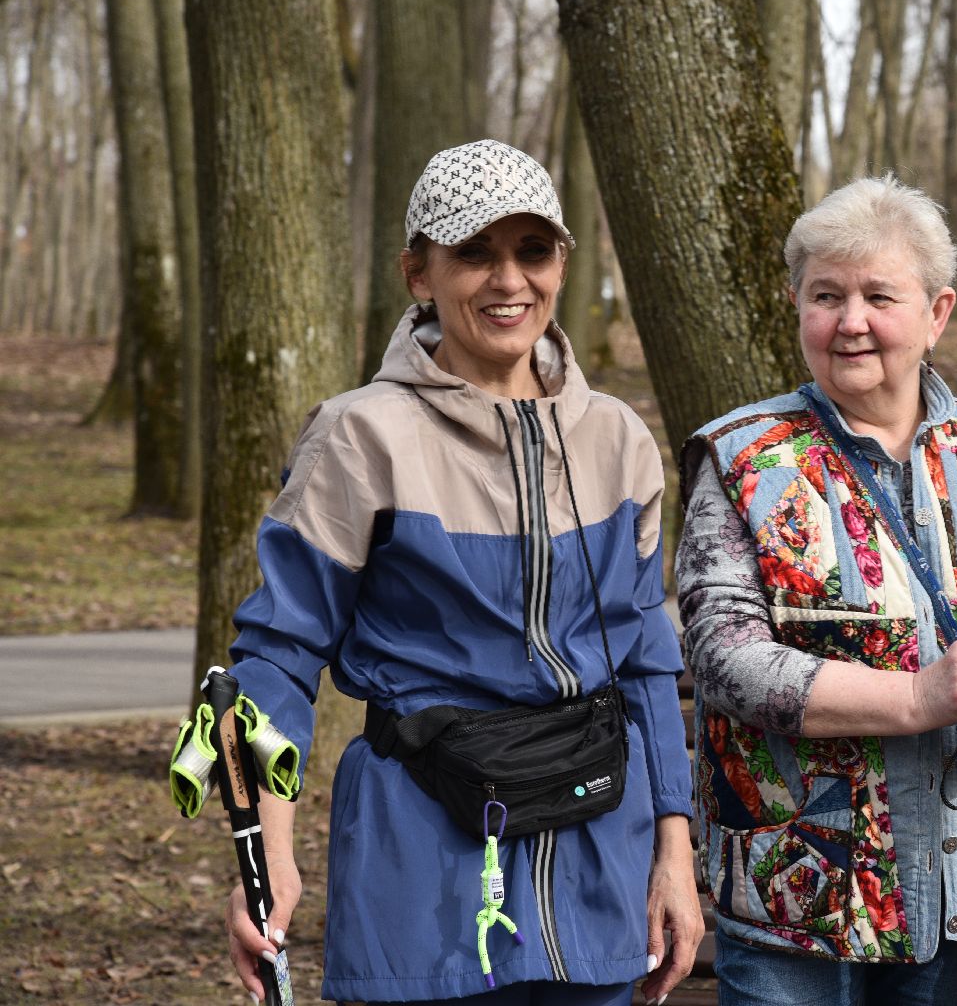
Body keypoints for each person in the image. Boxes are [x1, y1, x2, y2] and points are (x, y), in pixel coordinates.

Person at [218, 139, 702, 1005]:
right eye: (473, 252)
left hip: (596, 855)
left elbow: (645, 660)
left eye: (532, 250)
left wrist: (674, 853)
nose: (507, 279)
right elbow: (273, 660)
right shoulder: (358, 435)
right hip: (424, 860)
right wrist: (265, 853)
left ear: (561, 264)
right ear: (418, 272)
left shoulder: (617, 439)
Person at [674, 176, 957, 1005]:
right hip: (799, 903)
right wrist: (918, 696)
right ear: (797, 306)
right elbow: (723, 658)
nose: (850, 321)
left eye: (878, 295)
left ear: (937, 313)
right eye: (826, 295)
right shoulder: (746, 459)